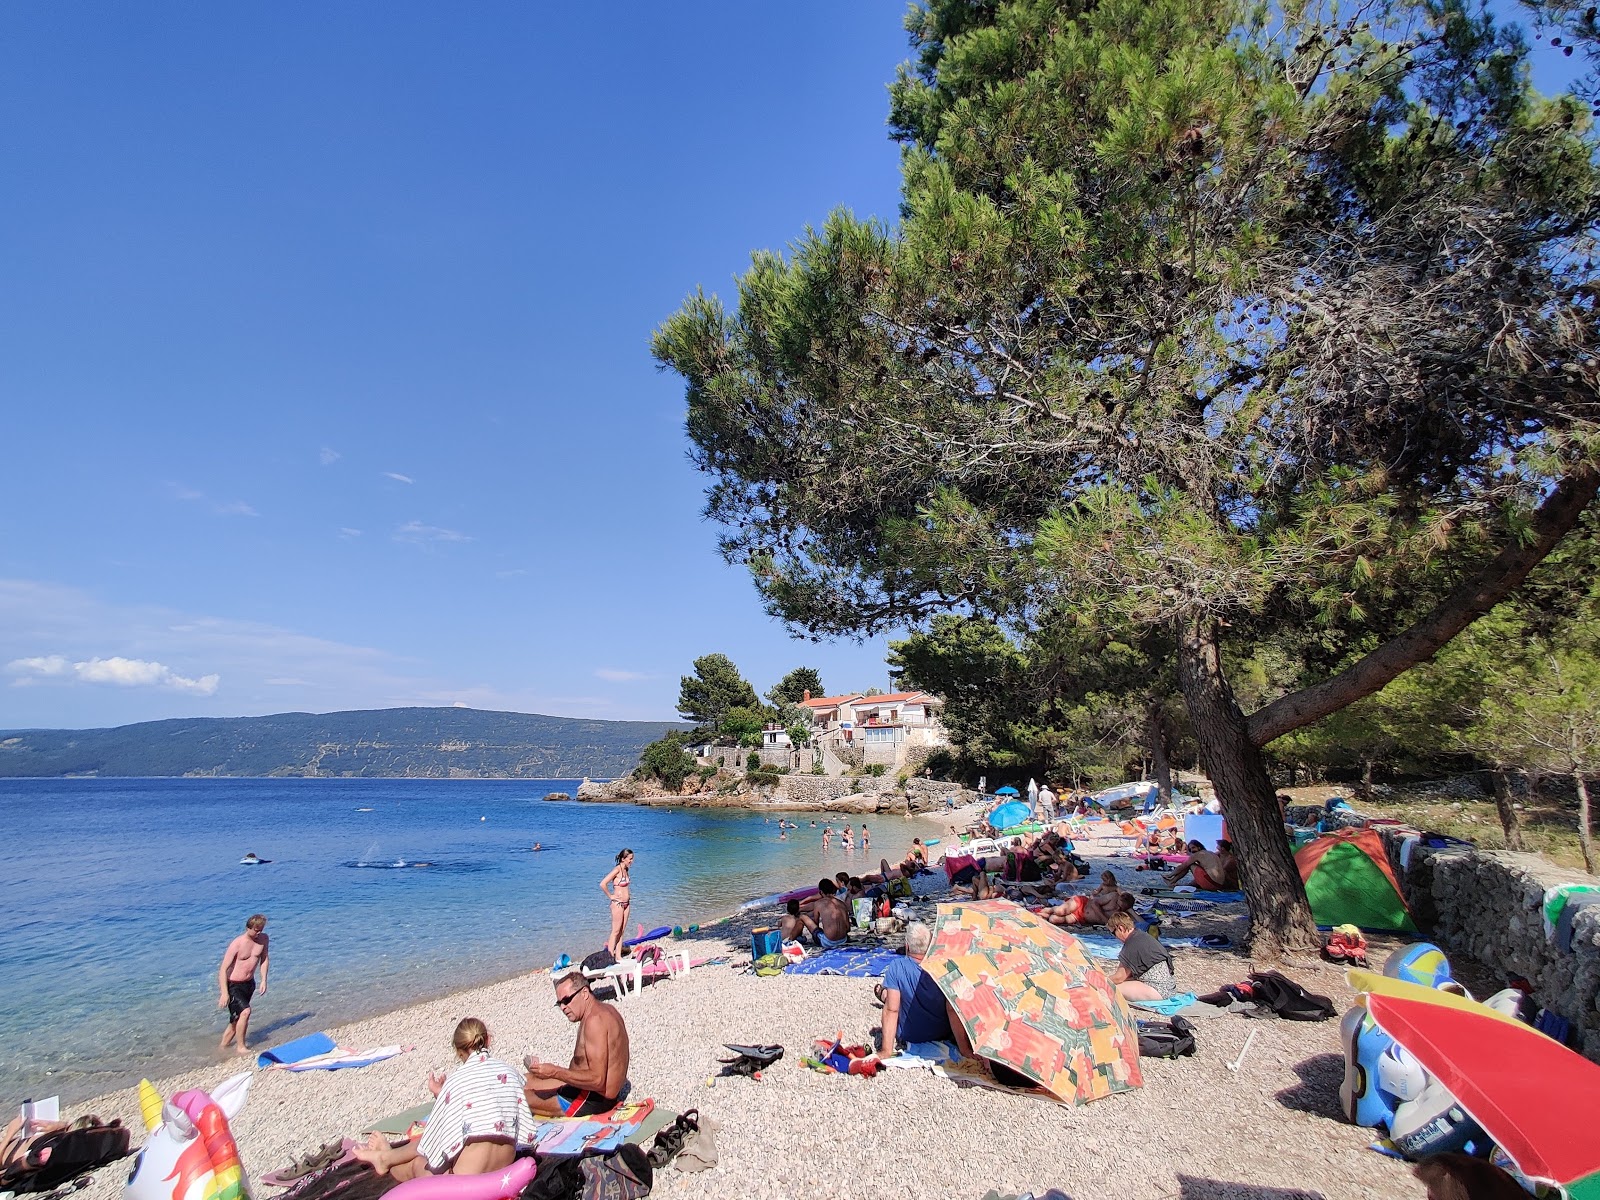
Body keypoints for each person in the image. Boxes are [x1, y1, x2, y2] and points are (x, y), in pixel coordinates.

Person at [354, 1018, 532, 1179]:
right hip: (504, 1171)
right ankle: (386, 1155)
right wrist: (443, 1096)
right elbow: (492, 1102)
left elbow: (432, 1144)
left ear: (458, 1050)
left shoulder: (456, 1080)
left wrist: (444, 1097)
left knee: (419, 1161)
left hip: (464, 1180)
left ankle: (384, 1160)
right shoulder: (510, 1072)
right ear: (488, 1040)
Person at [524, 972, 632, 1117]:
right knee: (524, 1079)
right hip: (583, 1088)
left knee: (516, 1096)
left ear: (585, 993)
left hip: (592, 1098)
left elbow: (598, 1080)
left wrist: (555, 1072)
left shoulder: (595, 1021)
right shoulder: (606, 1010)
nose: (563, 1007)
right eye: (559, 1003)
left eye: (567, 1000)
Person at [878, 923, 973, 1054]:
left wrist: (886, 1050)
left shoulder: (897, 966)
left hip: (910, 1035)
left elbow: (891, 1010)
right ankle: (882, 992)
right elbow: (952, 1009)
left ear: (907, 946)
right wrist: (965, 1049)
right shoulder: (943, 966)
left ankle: (881, 992)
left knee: (890, 997)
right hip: (943, 1034)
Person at [217, 914, 269, 1055]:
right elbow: (223, 969)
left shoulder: (263, 940)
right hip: (233, 985)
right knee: (245, 1012)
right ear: (248, 928)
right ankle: (241, 1047)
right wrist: (224, 993)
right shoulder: (237, 943)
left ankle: (222, 1048)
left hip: (249, 984)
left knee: (236, 1020)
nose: (258, 933)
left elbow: (264, 959)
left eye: (261, 930)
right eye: (256, 930)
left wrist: (263, 979)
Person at [1105, 912, 1177, 1001]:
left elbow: (1119, 977)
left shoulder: (1132, 944)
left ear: (1121, 928)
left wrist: (1100, 980)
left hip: (1158, 990)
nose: (1115, 937)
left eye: (1113, 933)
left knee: (1110, 988)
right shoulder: (1141, 936)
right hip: (1169, 987)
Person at [600, 848, 634, 958]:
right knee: (615, 931)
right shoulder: (617, 870)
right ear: (623, 859)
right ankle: (610, 956)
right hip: (618, 905)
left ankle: (618, 956)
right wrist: (611, 896)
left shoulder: (626, 870)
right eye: (630, 859)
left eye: (632, 859)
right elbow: (603, 884)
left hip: (626, 904)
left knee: (622, 931)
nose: (631, 861)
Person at [1164, 841, 1233, 891]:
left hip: (1212, 885)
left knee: (1189, 864)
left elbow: (1182, 866)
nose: (1192, 850)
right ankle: (1173, 882)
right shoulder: (1211, 853)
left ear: (1199, 847)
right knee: (1195, 867)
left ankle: (1172, 881)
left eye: (1193, 848)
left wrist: (1170, 875)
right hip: (1219, 885)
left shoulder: (1198, 855)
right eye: (1190, 849)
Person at [1040, 890, 1135, 927]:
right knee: (1059, 911)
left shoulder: (1124, 913)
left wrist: (1131, 910)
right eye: (1118, 904)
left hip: (1082, 917)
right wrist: (1104, 919)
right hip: (1082, 904)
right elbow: (1094, 903)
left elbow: (1140, 921)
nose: (1117, 908)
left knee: (1054, 919)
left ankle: (1041, 915)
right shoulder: (1113, 896)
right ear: (1119, 899)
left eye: (1121, 908)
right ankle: (1043, 911)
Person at [813, 878, 851, 947]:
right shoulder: (841, 903)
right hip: (843, 939)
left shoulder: (818, 903)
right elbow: (848, 928)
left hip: (829, 942)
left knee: (803, 918)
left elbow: (816, 925)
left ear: (821, 892)